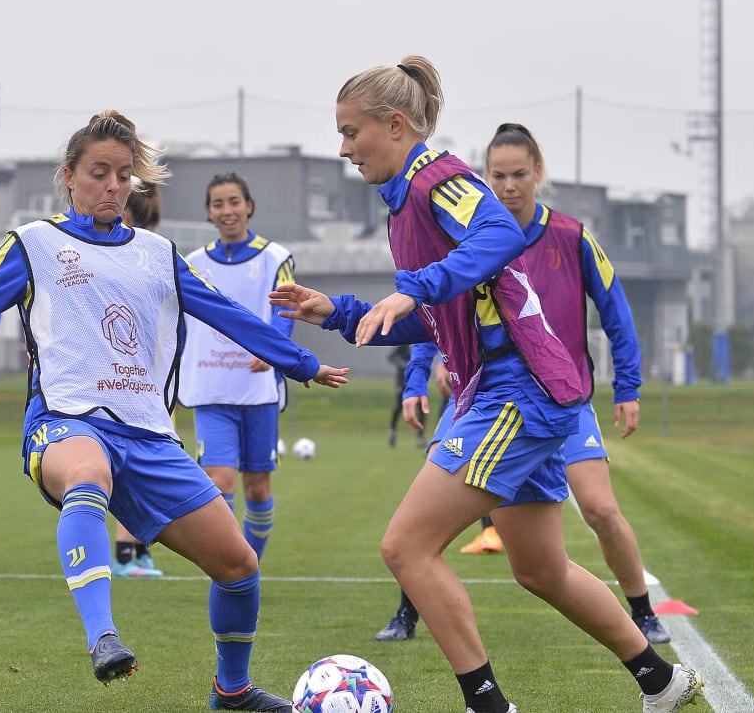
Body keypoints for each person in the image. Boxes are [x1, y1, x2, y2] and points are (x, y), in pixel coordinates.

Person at [0, 110, 348, 710]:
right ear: (69, 175)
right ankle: (103, 637)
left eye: (124, 174)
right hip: (66, 420)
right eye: (98, 172)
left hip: (151, 436)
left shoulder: (159, 253)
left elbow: (227, 315)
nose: (112, 185)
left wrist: (300, 363)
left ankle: (231, 691)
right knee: (87, 476)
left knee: (238, 565)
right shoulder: (34, 245)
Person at [269, 57, 700, 713]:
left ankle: (489, 706)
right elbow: (435, 319)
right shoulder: (403, 205)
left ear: (394, 124)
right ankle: (661, 682)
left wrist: (412, 289)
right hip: (510, 390)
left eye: (351, 132)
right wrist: (338, 311)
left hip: (515, 391)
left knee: (406, 547)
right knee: (540, 570)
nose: (344, 148)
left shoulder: (434, 178)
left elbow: (497, 232)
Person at [376, 124, 672, 647]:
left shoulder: (571, 235)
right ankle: (407, 614)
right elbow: (434, 310)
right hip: (483, 391)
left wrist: (628, 387)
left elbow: (616, 313)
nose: (509, 185)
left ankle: (643, 614)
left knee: (598, 510)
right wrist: (418, 375)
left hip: (558, 394)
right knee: (426, 512)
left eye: (519, 174)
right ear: (483, 178)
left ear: (538, 172)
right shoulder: (463, 236)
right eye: (497, 176)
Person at [178, 172, 295, 564]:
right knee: (219, 483)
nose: (227, 211)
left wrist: (274, 350)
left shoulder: (275, 258)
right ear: (209, 213)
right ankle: (233, 569)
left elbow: (286, 309)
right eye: (218, 204)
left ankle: (251, 565)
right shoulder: (192, 264)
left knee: (258, 489)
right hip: (211, 391)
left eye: (233, 202)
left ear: (249, 206)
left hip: (258, 391)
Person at [111, 181, 165, 578]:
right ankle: (128, 553)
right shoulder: (144, 255)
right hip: (128, 381)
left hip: (150, 377)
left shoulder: (156, 254)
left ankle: (134, 551)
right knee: (125, 465)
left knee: (133, 464)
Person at [385, 343, 425, 447]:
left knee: (421, 408)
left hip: (416, 382)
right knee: (399, 406)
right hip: (402, 382)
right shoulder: (404, 345)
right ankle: (392, 431)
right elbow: (391, 357)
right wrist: (404, 364)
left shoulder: (421, 345)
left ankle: (420, 436)